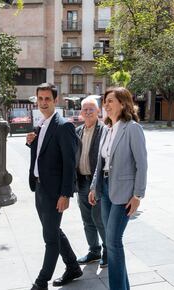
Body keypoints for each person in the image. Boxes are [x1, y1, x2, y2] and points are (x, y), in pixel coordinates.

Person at [89, 87, 148, 290]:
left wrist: (138, 194)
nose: (106, 104)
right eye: (105, 101)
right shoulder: (107, 129)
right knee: (110, 240)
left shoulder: (132, 128)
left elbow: (142, 164)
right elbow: (100, 162)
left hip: (123, 191)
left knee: (113, 241)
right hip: (105, 189)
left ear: (123, 104)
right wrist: (93, 187)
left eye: (111, 101)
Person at [26, 83, 82, 290]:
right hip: (40, 188)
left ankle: (41, 282)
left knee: (49, 237)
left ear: (55, 100)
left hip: (54, 192)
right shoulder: (41, 123)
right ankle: (73, 267)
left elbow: (69, 163)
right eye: (40, 99)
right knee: (53, 231)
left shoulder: (63, 125)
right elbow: (43, 154)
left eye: (47, 99)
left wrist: (65, 194)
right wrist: (31, 142)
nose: (43, 103)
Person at [75, 96, 107, 268]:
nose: (88, 112)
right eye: (85, 109)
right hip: (82, 182)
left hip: (98, 183)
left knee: (99, 218)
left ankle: (108, 251)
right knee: (87, 219)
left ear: (98, 112)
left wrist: (96, 185)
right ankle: (94, 251)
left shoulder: (104, 130)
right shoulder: (77, 131)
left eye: (91, 109)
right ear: (81, 112)